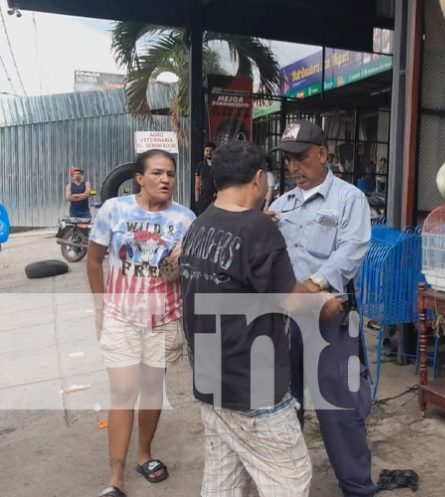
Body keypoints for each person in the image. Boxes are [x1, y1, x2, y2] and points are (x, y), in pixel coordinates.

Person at [179, 141, 330, 497]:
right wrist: (323, 301)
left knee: (223, 481)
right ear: (259, 179)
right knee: (290, 480)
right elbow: (291, 301)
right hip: (252, 386)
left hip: (210, 379)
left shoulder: (200, 225)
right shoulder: (260, 231)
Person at [268, 120, 377, 497]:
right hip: (288, 322)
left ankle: (357, 488)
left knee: (341, 411)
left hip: (331, 322)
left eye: (301, 158)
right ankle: (287, 485)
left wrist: (314, 286)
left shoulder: (349, 199)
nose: (294, 168)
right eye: (289, 161)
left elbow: (352, 250)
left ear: (322, 154)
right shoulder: (280, 206)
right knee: (285, 406)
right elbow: (273, 260)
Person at [87, 149, 195, 497]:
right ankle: (114, 478)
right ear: (139, 178)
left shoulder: (186, 219)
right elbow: (93, 260)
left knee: (151, 390)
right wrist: (100, 305)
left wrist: (179, 264)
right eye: (158, 173)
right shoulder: (114, 211)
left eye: (171, 174)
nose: (166, 180)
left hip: (163, 320)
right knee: (122, 392)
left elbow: (184, 273)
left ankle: (144, 455)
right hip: (121, 317)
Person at [195, 141, 217, 214]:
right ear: (204, 152)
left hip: (216, 199)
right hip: (203, 200)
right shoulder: (200, 166)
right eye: (207, 150)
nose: (209, 152)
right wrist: (197, 200)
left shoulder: (219, 166)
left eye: (211, 151)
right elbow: (197, 185)